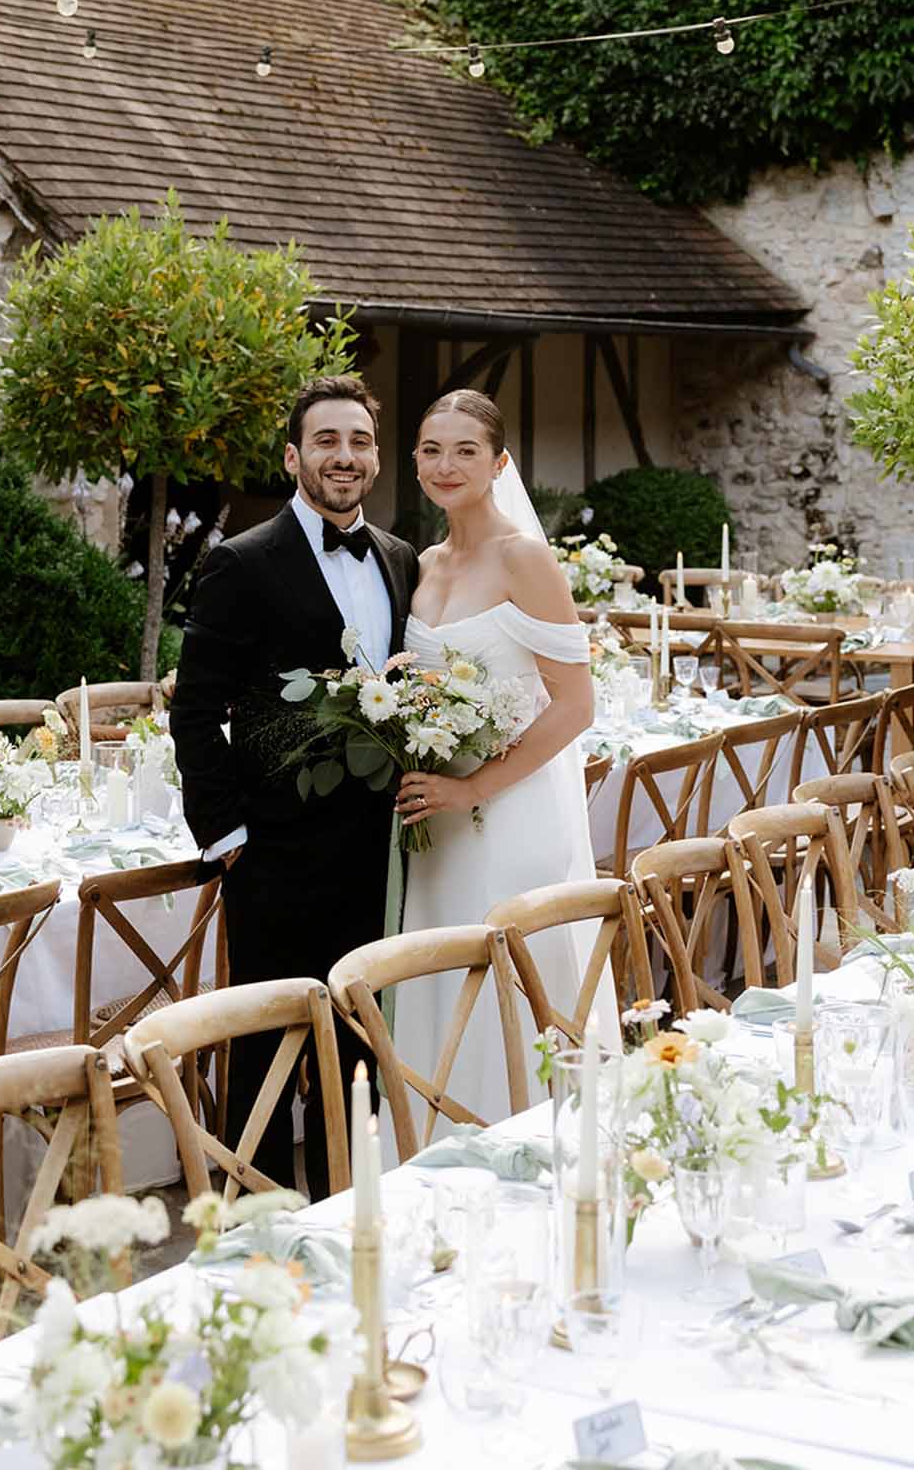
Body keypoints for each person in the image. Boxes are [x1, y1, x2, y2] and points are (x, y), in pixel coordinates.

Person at [169, 374, 418, 1196]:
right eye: (326, 441)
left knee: (361, 1035)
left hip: (378, 848)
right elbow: (197, 711)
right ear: (293, 456)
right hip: (274, 851)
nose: (343, 457)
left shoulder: (399, 559)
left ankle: (357, 1204)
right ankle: (258, 1222)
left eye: (358, 442)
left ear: (375, 458)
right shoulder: (241, 562)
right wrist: (229, 837)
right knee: (269, 1044)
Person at [392, 388, 615, 1130]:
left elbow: (577, 706)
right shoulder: (422, 563)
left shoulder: (524, 559)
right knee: (439, 979)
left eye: (465, 451)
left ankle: (523, 1144)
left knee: (505, 990)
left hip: (510, 813)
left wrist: (477, 787)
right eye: (431, 449)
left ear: (498, 464)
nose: (445, 465)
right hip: (435, 825)